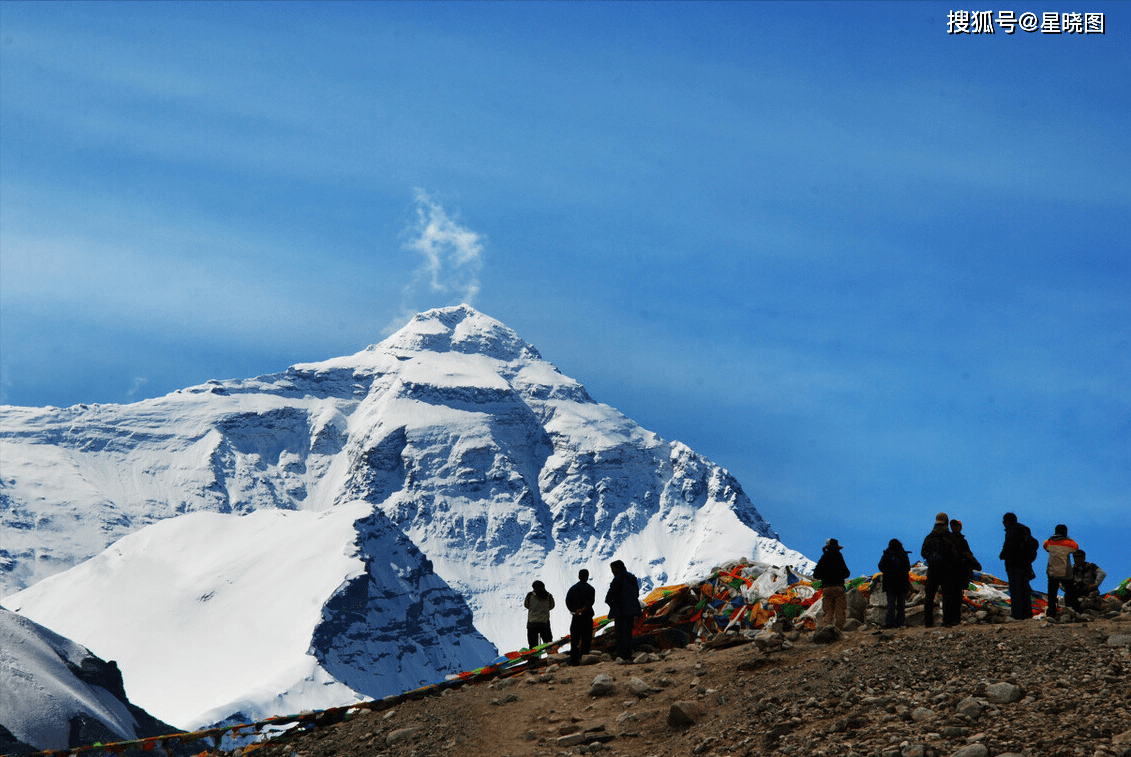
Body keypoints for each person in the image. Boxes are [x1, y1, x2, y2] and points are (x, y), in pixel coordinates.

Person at [921, 512, 962, 627]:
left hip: (933, 569)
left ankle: (928, 622)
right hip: (946, 570)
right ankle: (947, 621)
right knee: (947, 596)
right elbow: (955, 554)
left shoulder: (930, 537)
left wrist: (932, 558)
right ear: (947, 522)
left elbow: (923, 552)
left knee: (929, 596)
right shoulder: (949, 537)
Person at [1000, 512, 1038, 620]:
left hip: (1014, 565)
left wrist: (1002, 555)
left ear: (1007, 521)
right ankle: (1027, 613)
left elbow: (1008, 547)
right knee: (1025, 589)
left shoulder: (1011, 531)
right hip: (1026, 565)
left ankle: (1017, 614)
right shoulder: (1025, 530)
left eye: (1004, 522)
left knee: (1015, 590)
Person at [605, 560, 642, 661]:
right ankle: (628, 654)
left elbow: (609, 597)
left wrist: (613, 605)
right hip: (631, 611)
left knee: (620, 634)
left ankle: (621, 655)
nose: (612, 571)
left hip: (620, 611)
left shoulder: (617, 579)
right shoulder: (631, 577)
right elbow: (636, 594)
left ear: (616, 569)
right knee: (628, 633)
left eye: (612, 569)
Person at [812, 538, 850, 630]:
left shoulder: (823, 558)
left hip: (827, 588)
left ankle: (827, 631)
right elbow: (847, 573)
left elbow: (816, 574)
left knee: (828, 611)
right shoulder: (839, 557)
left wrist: (825, 576)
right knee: (840, 611)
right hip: (838, 587)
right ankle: (839, 631)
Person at [1043, 524, 1079, 619]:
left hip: (1052, 572)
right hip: (1065, 572)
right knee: (1070, 592)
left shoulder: (1049, 542)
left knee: (1052, 594)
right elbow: (1076, 548)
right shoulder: (1069, 543)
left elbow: (1045, 546)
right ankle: (1071, 610)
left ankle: (1051, 613)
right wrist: (1068, 538)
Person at [878, 538, 911, 629]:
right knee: (901, 605)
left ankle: (890, 623)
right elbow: (908, 568)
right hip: (902, 584)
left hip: (890, 584)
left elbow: (881, 567)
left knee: (891, 605)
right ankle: (900, 622)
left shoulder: (886, 555)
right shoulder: (903, 554)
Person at [565, 569, 595, 666]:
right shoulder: (591, 589)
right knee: (586, 638)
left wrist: (575, 610)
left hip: (576, 617)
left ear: (579, 576)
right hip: (587, 617)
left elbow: (568, 601)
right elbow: (591, 602)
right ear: (587, 577)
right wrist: (583, 609)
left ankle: (574, 660)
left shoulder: (573, 589)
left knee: (575, 639)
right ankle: (585, 658)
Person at [950, 519, 982, 589]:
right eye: (953, 525)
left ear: (960, 527)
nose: (955, 527)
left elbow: (969, 554)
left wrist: (975, 563)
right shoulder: (948, 539)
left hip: (963, 571)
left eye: (957, 525)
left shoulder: (963, 541)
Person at [523, 580, 555, 649]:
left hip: (532, 623)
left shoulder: (530, 595)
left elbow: (526, 605)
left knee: (533, 645)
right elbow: (551, 606)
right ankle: (552, 657)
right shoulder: (549, 596)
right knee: (548, 643)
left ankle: (534, 659)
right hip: (544, 623)